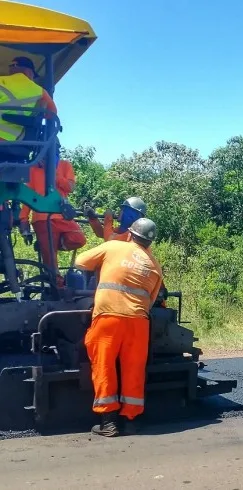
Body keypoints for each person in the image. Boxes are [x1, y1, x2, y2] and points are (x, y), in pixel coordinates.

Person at [74, 218, 163, 437]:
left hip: (108, 319)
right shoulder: (155, 266)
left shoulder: (114, 247)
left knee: (104, 366)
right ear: (149, 243)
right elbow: (150, 301)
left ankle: (109, 423)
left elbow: (80, 262)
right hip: (138, 322)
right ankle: (131, 421)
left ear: (130, 235)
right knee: (133, 371)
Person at [18, 139, 86, 284]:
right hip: (41, 219)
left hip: (62, 215)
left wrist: (53, 173)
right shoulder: (32, 170)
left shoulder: (64, 165)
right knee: (50, 259)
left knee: (79, 239)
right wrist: (23, 222)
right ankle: (57, 285)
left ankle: (51, 245)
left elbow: (70, 187)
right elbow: (27, 198)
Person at [0, 57, 57, 145]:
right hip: (15, 142)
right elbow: (52, 112)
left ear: (13, 67)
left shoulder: (1, 81)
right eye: (34, 75)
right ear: (29, 72)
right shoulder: (40, 91)